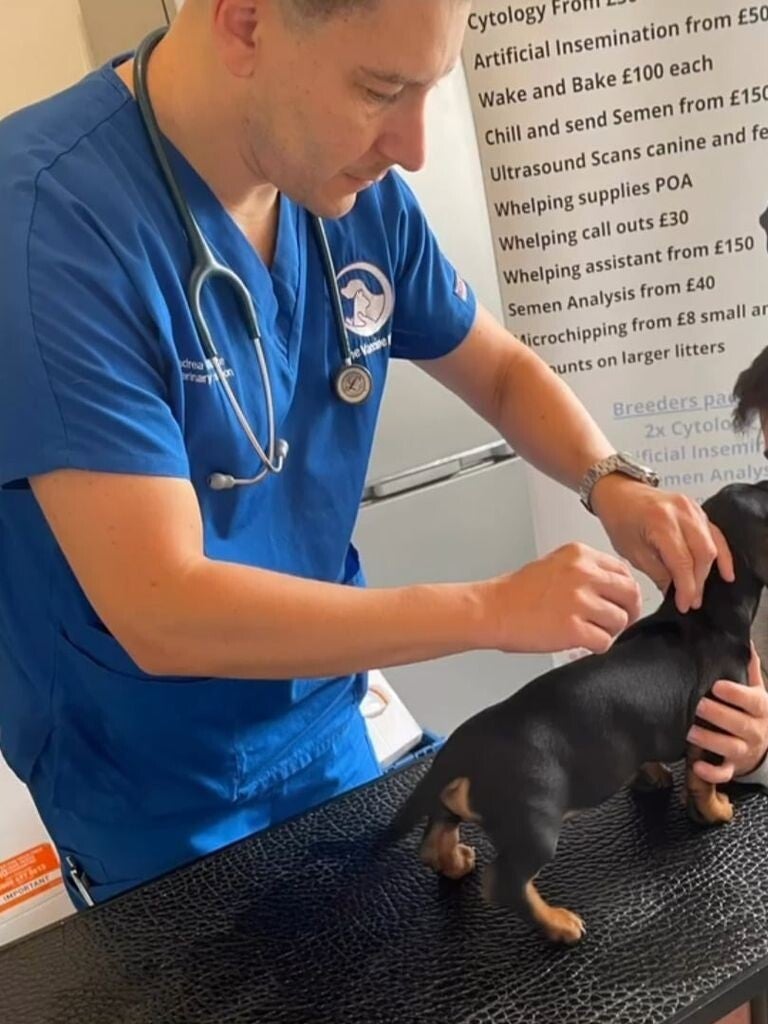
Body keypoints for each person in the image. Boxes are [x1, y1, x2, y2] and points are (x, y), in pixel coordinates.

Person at [0, 0, 740, 906]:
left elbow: (500, 373)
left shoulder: (345, 189)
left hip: (334, 718)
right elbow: (163, 609)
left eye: (429, 88)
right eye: (381, 88)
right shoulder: (47, 230)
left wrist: (609, 481)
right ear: (244, 22)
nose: (416, 146)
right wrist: (491, 609)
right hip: (156, 792)